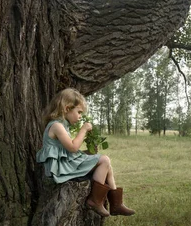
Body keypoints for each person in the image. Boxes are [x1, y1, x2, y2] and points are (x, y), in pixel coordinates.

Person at [36, 88, 135, 217]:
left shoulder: (62, 125)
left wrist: (88, 150)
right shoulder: (56, 126)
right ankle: (95, 200)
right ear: (67, 109)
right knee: (104, 160)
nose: (80, 116)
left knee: (107, 165)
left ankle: (116, 204)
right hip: (61, 169)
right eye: (79, 112)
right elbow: (73, 147)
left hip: (66, 165)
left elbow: (67, 151)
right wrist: (83, 130)